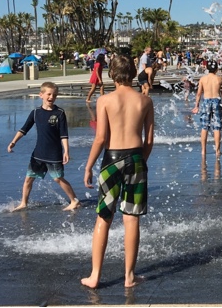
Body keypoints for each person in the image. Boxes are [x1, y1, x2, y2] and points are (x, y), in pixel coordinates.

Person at [81, 55, 154, 289]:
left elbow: (101, 138)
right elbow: (149, 140)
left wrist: (88, 166)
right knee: (131, 218)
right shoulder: (145, 101)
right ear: (133, 73)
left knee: (104, 216)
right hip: (136, 157)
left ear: (111, 74)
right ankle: (129, 276)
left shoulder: (104, 100)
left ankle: (95, 276)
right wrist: (140, 162)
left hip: (111, 160)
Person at [6, 82, 80, 211]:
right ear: (41, 95)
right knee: (29, 178)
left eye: (54, 95)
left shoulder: (59, 113)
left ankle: (74, 200)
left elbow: (64, 135)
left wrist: (66, 151)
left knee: (57, 178)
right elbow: (24, 129)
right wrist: (13, 142)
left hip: (54, 153)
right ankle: (24, 203)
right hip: (39, 153)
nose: (51, 97)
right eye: (49, 94)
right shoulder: (35, 112)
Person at [192, 60, 222, 157]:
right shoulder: (219, 79)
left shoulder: (203, 79)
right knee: (217, 127)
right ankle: (217, 150)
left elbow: (199, 93)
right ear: (217, 69)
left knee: (204, 126)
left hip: (206, 101)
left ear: (207, 68)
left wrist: (196, 106)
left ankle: (203, 150)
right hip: (217, 100)